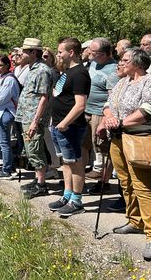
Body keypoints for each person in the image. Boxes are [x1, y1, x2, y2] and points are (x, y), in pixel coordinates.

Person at [98, 47, 151, 261]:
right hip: (118, 138)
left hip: (140, 138)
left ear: (137, 62)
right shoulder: (122, 81)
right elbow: (108, 104)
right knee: (125, 183)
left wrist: (121, 122)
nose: (121, 62)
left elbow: (150, 110)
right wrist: (108, 119)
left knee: (143, 186)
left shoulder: (150, 80)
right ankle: (135, 221)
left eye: (125, 59)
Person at [48, 38, 91, 217]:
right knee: (66, 163)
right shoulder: (67, 72)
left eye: (60, 52)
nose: (58, 55)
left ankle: (77, 200)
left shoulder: (80, 73)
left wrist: (65, 122)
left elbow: (80, 104)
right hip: (58, 126)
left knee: (75, 163)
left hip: (70, 127)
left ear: (71, 52)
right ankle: (67, 195)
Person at [15, 38, 53, 199]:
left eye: (24, 51)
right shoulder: (32, 68)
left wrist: (35, 121)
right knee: (30, 150)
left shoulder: (42, 70)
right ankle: (38, 180)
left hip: (33, 118)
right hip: (26, 116)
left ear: (33, 52)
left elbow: (44, 98)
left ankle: (42, 184)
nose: (20, 54)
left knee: (35, 150)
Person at [84, 38, 120, 188]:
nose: (89, 54)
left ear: (104, 54)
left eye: (93, 52)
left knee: (103, 147)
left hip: (100, 113)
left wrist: (106, 119)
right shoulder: (93, 63)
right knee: (83, 145)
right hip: (86, 110)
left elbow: (113, 98)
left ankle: (103, 181)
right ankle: (79, 179)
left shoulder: (113, 71)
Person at [0, 55, 20, 178]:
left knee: (4, 142)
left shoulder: (10, 80)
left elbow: (3, 97)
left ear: (7, 65)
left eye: (0, 65)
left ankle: (7, 169)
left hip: (6, 112)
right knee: (0, 140)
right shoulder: (0, 77)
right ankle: (9, 165)